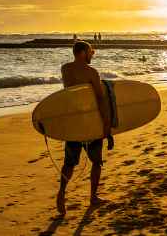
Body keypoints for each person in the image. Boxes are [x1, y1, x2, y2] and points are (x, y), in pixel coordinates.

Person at [56, 40, 113, 215]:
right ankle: (93, 197)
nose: (92, 54)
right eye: (91, 51)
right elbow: (101, 99)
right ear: (82, 52)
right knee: (96, 161)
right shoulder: (91, 72)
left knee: (69, 163)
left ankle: (61, 193)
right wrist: (107, 127)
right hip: (90, 123)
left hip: (74, 124)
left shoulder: (65, 69)